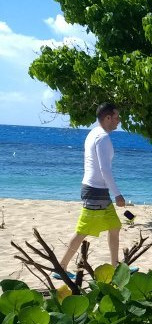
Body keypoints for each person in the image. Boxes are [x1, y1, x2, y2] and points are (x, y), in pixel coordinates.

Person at [57, 102, 126, 276]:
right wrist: (118, 194)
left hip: (99, 191)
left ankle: (116, 266)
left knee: (115, 226)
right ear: (107, 117)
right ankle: (61, 268)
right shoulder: (102, 137)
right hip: (95, 191)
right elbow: (105, 169)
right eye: (116, 117)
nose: (119, 121)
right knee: (82, 231)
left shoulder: (94, 133)